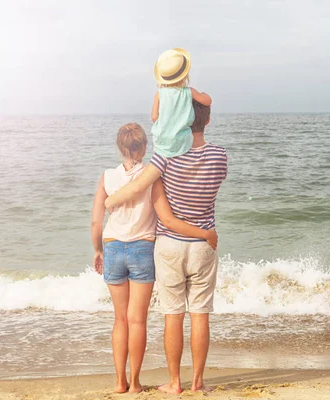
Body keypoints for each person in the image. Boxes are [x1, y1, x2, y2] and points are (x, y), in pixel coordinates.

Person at [104, 101, 227, 394]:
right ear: (207, 121)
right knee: (200, 313)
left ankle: (175, 382)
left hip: (170, 245)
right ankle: (197, 381)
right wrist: (205, 232)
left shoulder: (165, 157)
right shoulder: (219, 156)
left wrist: (110, 202)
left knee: (173, 314)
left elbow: (136, 188)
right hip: (203, 244)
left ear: (182, 120)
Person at [151, 48, 212, 158]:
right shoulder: (189, 91)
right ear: (184, 74)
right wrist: (203, 94)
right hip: (183, 141)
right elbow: (207, 101)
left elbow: (155, 117)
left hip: (161, 141)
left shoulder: (159, 93)